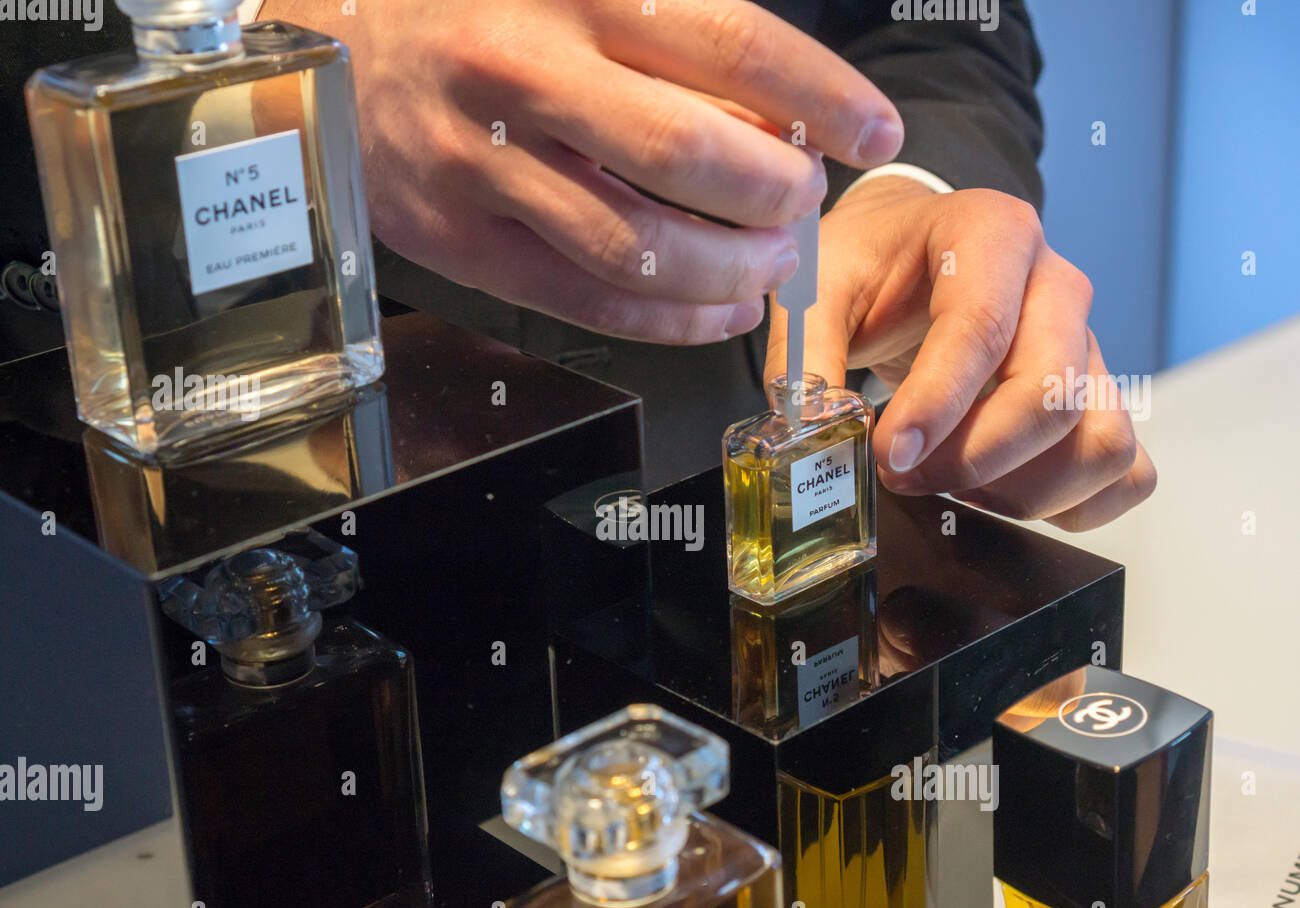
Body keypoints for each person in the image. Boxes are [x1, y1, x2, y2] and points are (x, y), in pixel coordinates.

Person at [5, 1, 1156, 527]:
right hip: (242, 528)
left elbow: (936, 29)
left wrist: (905, 193)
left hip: (733, 490)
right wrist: (279, 51)